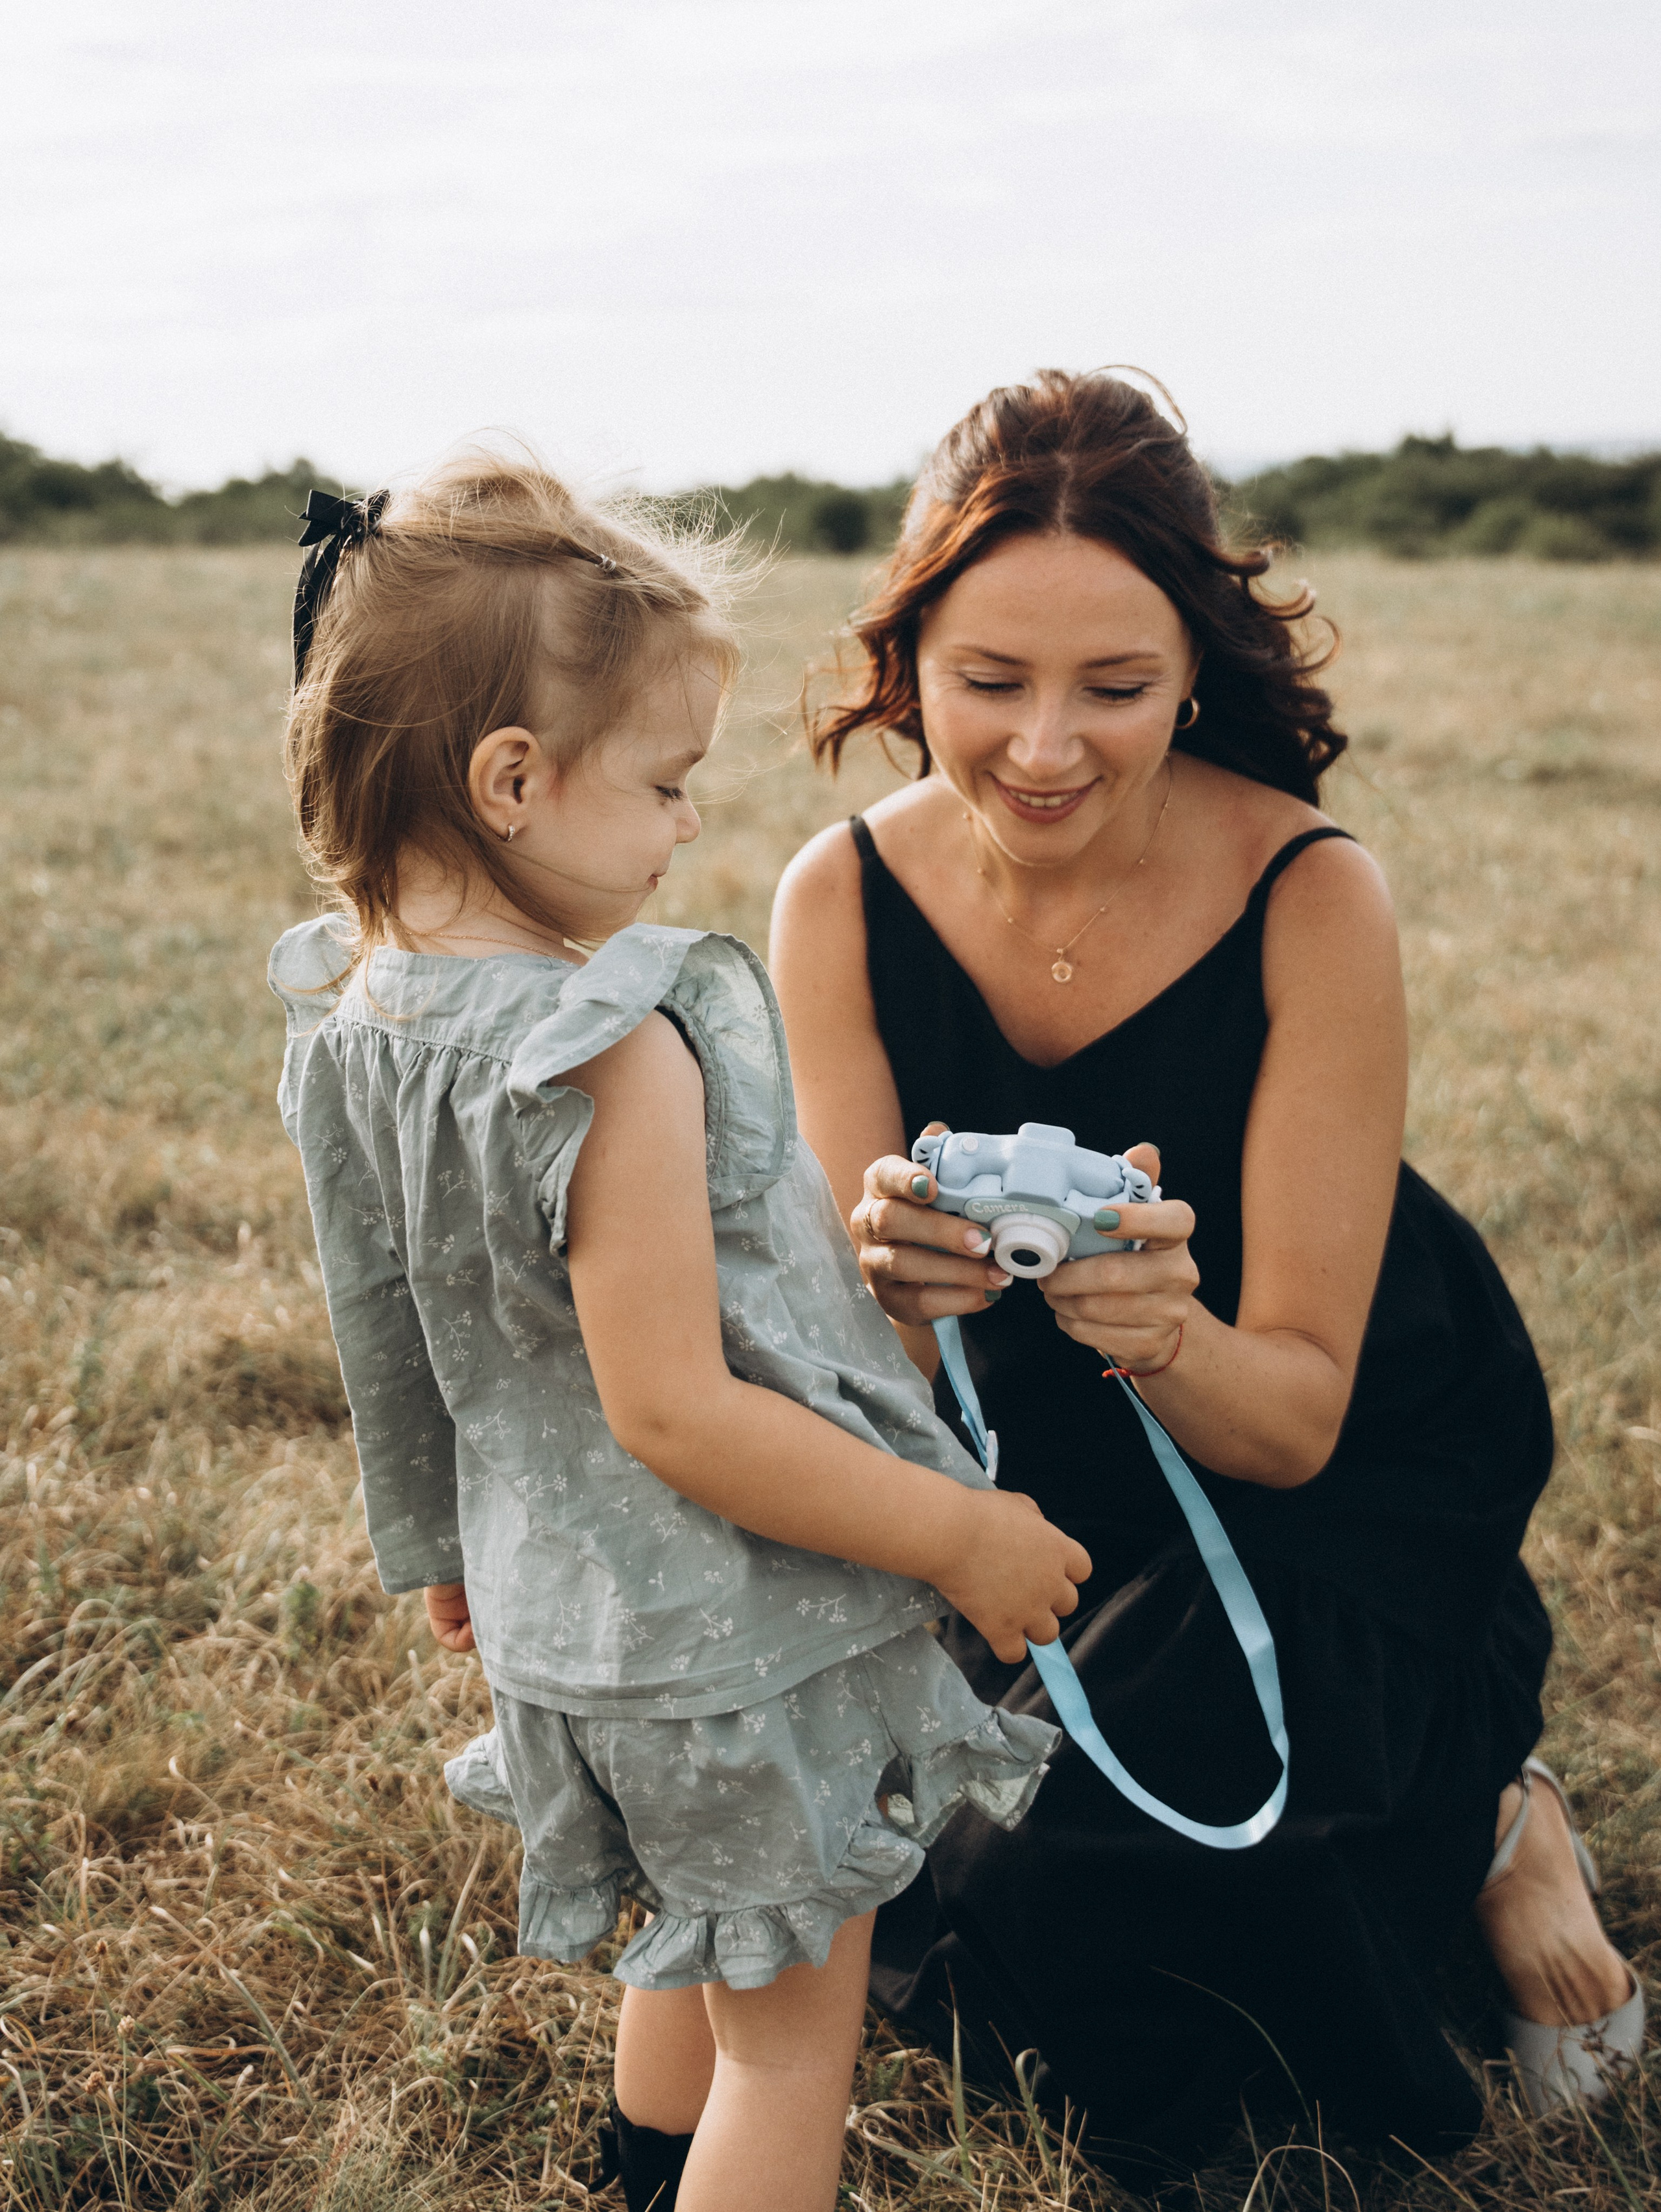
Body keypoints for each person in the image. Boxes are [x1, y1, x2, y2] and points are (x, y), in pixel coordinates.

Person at [770, 369, 1642, 2176]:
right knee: (916, 1899)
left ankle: (1493, 1805)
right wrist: (886, 1290)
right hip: (1028, 1476)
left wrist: (1164, 1328)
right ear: (908, 657)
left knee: (1123, 1891)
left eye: (1117, 686)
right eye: (989, 682)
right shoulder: (834, 898)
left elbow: (1303, 1416)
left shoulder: (1316, 891)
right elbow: (874, 1388)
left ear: (1196, 668)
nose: (1045, 747)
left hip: (1324, 1455)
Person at [267, 455, 1089, 2212]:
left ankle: (646, 2182)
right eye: (661, 783)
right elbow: (678, 1413)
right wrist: (962, 1530)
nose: (685, 824)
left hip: (570, 1619)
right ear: (514, 783)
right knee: (792, 2033)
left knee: (692, 1941)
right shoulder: (608, 1046)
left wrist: (438, 1550)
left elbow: (380, 1330)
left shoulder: (363, 1023)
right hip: (728, 1629)